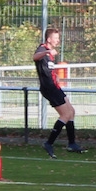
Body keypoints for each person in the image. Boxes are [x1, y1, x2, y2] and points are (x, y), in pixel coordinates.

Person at [34, 27, 85, 158]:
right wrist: (47, 51)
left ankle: (72, 144)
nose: (58, 41)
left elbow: (47, 69)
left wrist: (55, 75)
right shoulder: (43, 49)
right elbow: (35, 57)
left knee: (71, 111)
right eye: (55, 38)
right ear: (48, 39)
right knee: (66, 114)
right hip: (49, 88)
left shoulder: (50, 54)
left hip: (54, 86)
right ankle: (49, 143)